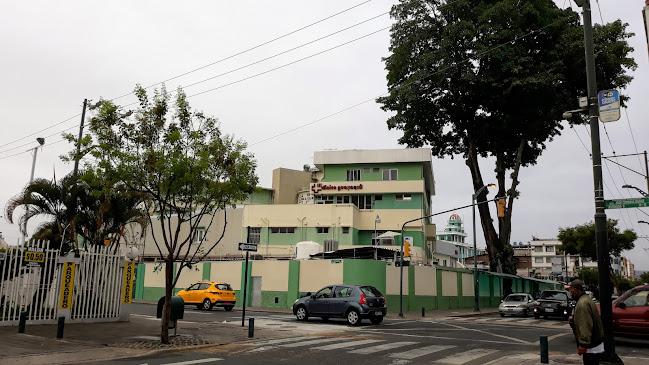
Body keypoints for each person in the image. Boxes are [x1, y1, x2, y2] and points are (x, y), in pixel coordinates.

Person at [569, 279, 604, 365]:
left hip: (591, 347)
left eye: (571, 290)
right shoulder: (587, 300)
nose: (570, 292)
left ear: (576, 290)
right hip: (595, 344)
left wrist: (583, 344)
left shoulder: (582, 304)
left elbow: (585, 324)